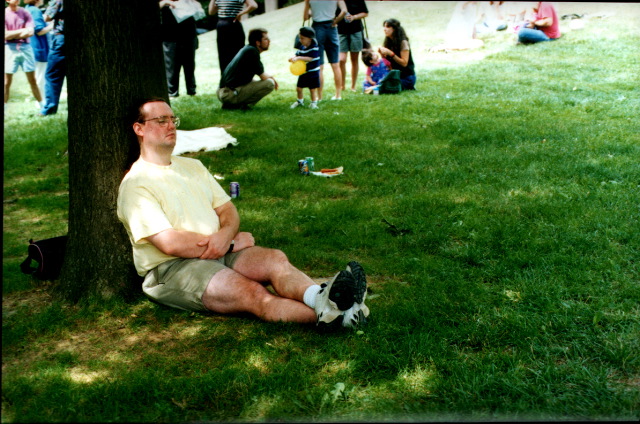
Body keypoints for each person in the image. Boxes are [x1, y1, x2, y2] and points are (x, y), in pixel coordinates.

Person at [117, 98, 370, 329]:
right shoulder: (136, 184)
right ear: (139, 129)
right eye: (161, 120)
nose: (171, 125)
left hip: (219, 250)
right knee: (253, 294)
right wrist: (229, 243)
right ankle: (340, 316)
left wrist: (226, 235)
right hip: (173, 269)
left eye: (173, 119)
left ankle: (322, 300)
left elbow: (227, 209)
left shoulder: (192, 166)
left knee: (274, 260)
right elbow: (170, 243)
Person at [217, 28, 277, 109]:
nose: (269, 41)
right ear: (258, 42)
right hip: (228, 93)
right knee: (270, 83)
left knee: (258, 81)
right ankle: (239, 105)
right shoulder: (252, 51)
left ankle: (232, 104)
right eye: (265, 39)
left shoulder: (248, 49)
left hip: (223, 92)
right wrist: (273, 79)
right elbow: (263, 76)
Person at [303, 0, 348, 101]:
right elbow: (344, 11)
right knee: (335, 64)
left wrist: (307, 5)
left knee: (319, 66)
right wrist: (336, 21)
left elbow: (305, 17)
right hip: (331, 28)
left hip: (317, 28)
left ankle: (319, 96)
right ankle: (338, 95)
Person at [4, 0, 43, 111]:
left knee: (32, 80)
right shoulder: (5, 13)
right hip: (9, 49)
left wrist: (12, 34)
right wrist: (22, 31)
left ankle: (42, 106)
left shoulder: (25, 12)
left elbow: (30, 32)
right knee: (6, 82)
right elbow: (5, 35)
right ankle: (5, 107)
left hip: (26, 48)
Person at [208, 0, 257, 80]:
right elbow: (211, 12)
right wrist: (240, 14)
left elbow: (253, 5)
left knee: (228, 55)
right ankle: (231, 80)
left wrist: (240, 14)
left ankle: (232, 80)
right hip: (228, 24)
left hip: (226, 24)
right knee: (233, 54)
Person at [159, 0, 199, 98]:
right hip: (170, 35)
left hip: (188, 33)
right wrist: (165, 2)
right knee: (171, 65)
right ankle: (172, 92)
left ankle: (191, 90)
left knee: (189, 64)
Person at [336, 0, 368, 93]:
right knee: (342, 60)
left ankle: (353, 86)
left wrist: (354, 17)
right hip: (341, 31)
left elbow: (365, 13)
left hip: (356, 30)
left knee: (354, 59)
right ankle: (342, 85)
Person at [39, 0, 65, 116]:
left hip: (60, 39)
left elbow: (47, 17)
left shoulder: (57, 0)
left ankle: (49, 108)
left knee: (53, 75)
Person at [24, 0, 52, 103]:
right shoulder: (36, 11)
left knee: (36, 76)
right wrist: (53, 25)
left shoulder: (27, 9)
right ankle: (42, 101)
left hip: (29, 47)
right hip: (39, 48)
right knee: (41, 77)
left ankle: (38, 99)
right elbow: (40, 31)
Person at [378, 18, 416, 91]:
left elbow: (404, 63)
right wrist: (382, 54)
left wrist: (391, 54)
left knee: (385, 87)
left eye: (388, 27)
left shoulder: (403, 42)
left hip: (406, 77)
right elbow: (387, 64)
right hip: (394, 76)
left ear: (394, 29)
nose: (384, 29)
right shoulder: (388, 41)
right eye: (384, 26)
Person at [289, 26, 320, 109]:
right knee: (299, 88)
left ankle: (314, 103)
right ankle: (300, 101)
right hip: (303, 72)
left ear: (309, 39)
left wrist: (299, 58)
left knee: (312, 89)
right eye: (300, 38)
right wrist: (293, 58)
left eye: (302, 38)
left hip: (313, 73)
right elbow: (297, 54)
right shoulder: (302, 47)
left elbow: (310, 58)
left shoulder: (314, 48)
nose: (300, 40)